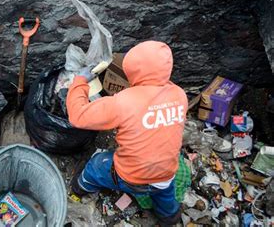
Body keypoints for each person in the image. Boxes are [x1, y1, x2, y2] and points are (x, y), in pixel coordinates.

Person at [66, 41, 188, 225]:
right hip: (166, 174)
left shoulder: (123, 102)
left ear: (133, 70)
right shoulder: (180, 95)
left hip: (131, 177)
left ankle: (79, 187)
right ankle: (170, 217)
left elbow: (77, 116)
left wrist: (80, 81)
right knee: (164, 193)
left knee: (97, 165)